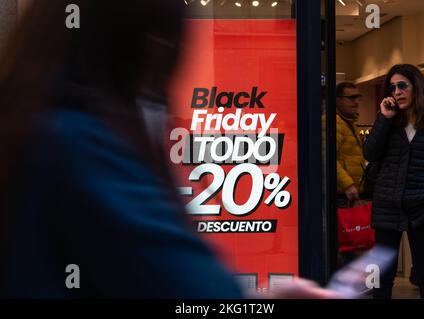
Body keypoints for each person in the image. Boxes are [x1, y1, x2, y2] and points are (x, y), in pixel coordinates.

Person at [0, 0, 339, 299]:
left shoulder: (33, 125)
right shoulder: (82, 145)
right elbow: (190, 290)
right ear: (143, 51)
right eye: (166, 56)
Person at [364, 64, 424, 299]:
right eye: (392, 87)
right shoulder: (389, 119)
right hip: (387, 204)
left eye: (402, 86)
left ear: (417, 87)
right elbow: (370, 153)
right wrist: (384, 118)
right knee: (384, 276)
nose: (397, 92)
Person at [335, 82, 367, 208]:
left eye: (358, 98)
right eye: (351, 98)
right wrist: (347, 185)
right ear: (338, 100)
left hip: (351, 194)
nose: (356, 102)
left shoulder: (349, 123)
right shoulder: (333, 123)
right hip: (342, 195)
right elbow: (327, 158)